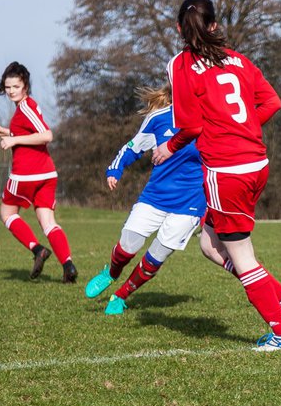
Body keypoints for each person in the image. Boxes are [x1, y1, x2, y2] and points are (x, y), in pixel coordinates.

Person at [150, 0, 281, 350]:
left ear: (178, 29)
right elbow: (272, 102)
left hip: (226, 170)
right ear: (215, 26)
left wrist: (167, 147)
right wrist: (246, 127)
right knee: (208, 243)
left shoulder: (180, 65)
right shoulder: (239, 60)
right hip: (256, 164)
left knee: (241, 256)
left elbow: (187, 124)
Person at [84, 86, 207, 314]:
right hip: (155, 196)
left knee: (157, 256)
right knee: (128, 246)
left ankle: (120, 296)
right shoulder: (159, 118)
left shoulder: (210, 119)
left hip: (190, 203)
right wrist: (116, 168)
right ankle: (110, 273)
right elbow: (133, 147)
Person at [0, 62, 77, 282]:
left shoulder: (26, 106)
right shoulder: (24, 109)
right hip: (46, 174)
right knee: (48, 222)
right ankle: (68, 266)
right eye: (7, 87)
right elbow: (32, 133)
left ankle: (38, 251)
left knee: (7, 214)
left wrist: (13, 139)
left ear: (25, 85)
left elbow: (47, 135)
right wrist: (6, 131)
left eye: (15, 86)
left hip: (26, 174)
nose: (10, 91)